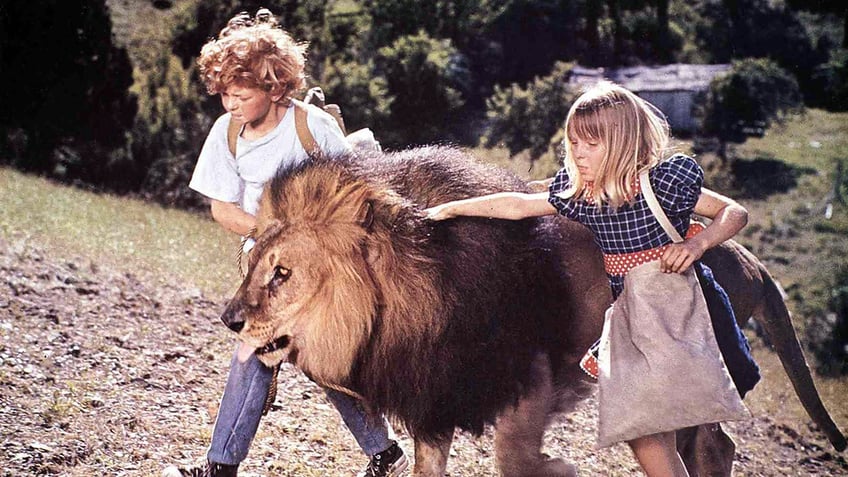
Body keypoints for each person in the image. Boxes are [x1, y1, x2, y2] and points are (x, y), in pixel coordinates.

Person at [426, 81, 759, 477]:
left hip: (679, 314)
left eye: (591, 144)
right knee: (645, 433)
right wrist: (450, 209)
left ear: (622, 142)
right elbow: (518, 206)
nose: (579, 153)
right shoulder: (586, 197)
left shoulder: (663, 184)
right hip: (634, 318)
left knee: (656, 426)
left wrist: (698, 244)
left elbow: (734, 212)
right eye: (574, 144)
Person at [162, 9, 407, 477]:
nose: (230, 104)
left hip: (322, 270)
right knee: (279, 352)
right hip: (264, 262)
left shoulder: (310, 126)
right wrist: (271, 236)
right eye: (225, 95)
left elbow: (354, 192)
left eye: (241, 95)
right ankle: (385, 454)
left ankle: (221, 467)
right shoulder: (227, 132)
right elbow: (222, 208)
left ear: (274, 88)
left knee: (301, 355)